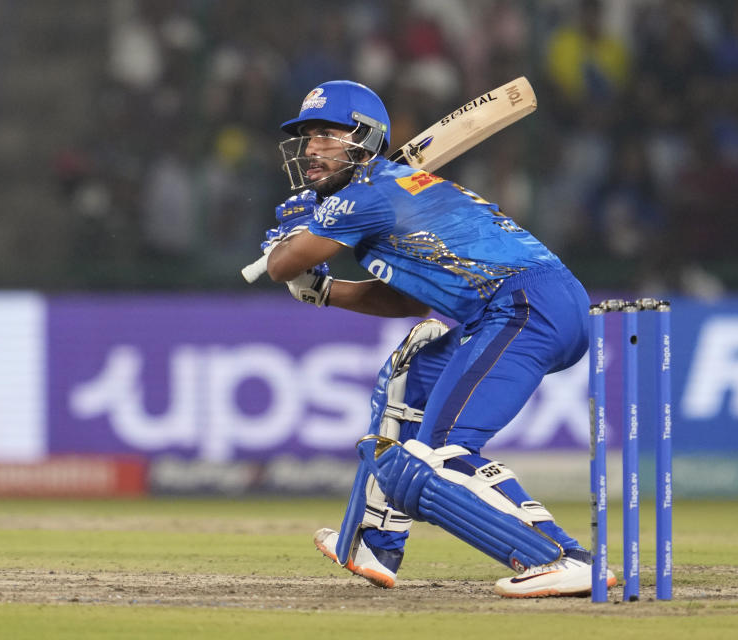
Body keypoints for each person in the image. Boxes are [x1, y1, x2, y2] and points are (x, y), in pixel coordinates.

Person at [261, 80, 615, 598]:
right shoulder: (389, 188)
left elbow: (283, 265)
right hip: (525, 305)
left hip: (522, 305)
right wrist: (326, 291)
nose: (312, 147)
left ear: (363, 137)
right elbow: (408, 300)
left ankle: (559, 557)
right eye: (307, 136)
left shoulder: (367, 196)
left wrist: (288, 239)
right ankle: (374, 541)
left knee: (444, 451)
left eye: (326, 134)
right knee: (408, 379)